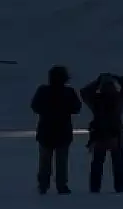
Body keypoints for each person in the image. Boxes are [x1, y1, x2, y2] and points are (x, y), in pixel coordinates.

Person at [30, 65, 83, 195]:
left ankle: (44, 185)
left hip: (46, 131)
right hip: (62, 131)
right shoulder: (68, 92)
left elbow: (35, 106)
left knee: (45, 161)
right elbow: (76, 108)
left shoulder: (43, 91)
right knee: (61, 161)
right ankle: (61, 185)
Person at [80, 73, 123, 193]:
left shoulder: (96, 99)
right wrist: (119, 77)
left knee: (97, 163)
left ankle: (95, 188)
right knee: (118, 164)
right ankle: (120, 188)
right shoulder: (119, 98)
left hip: (99, 134)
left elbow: (84, 92)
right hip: (115, 134)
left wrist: (97, 81)